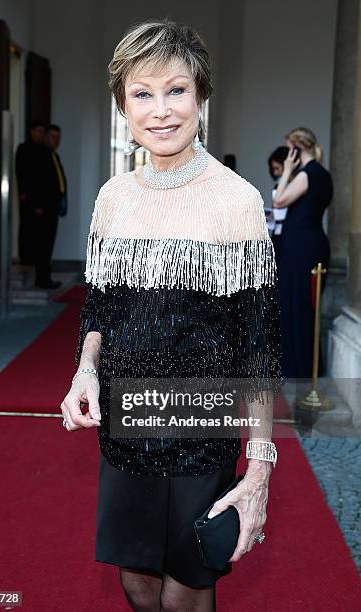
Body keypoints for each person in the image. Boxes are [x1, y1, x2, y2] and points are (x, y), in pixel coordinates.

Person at [60, 20, 282, 612]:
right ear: (123, 106)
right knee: (135, 579)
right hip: (125, 416)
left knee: (188, 585)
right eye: (142, 93)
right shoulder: (114, 197)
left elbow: (259, 343)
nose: (161, 111)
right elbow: (101, 302)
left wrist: (258, 470)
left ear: (201, 97)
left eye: (176, 90)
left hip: (200, 421)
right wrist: (86, 371)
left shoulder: (235, 200)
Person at [273, 127, 333, 378]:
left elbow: (279, 200)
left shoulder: (307, 174)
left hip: (300, 245)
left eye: (289, 148)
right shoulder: (324, 174)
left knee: (295, 303)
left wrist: (286, 171)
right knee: (306, 304)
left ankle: (297, 366)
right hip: (312, 241)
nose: (288, 154)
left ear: (297, 147)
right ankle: (306, 365)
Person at [32, 125, 66, 289]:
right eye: (53, 137)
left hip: (52, 207)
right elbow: (36, 181)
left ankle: (45, 277)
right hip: (43, 208)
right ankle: (42, 279)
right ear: (46, 137)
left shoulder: (54, 156)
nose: (56, 140)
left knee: (48, 243)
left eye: (58, 137)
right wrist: (38, 205)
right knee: (43, 244)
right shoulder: (40, 155)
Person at [15, 120, 46, 265]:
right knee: (26, 227)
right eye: (38, 131)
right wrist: (22, 192)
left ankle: (35, 257)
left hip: (41, 196)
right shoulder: (24, 149)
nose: (41, 134)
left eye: (42, 131)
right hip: (28, 196)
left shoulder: (44, 150)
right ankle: (25, 257)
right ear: (31, 131)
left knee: (39, 230)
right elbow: (20, 172)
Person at [267, 146, 290, 268]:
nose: (275, 173)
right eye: (273, 169)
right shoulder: (278, 186)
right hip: (278, 236)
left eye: (277, 168)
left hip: (287, 237)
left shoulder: (292, 187)